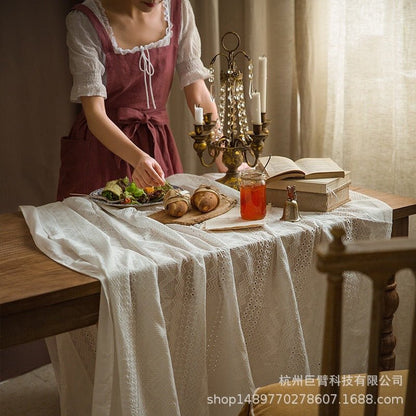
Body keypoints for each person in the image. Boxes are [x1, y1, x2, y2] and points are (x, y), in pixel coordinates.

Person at [57, 0, 219, 200]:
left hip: (156, 144)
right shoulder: (85, 20)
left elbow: (198, 93)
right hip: (101, 147)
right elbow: (94, 114)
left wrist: (224, 156)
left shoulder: (178, 9)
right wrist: (138, 158)